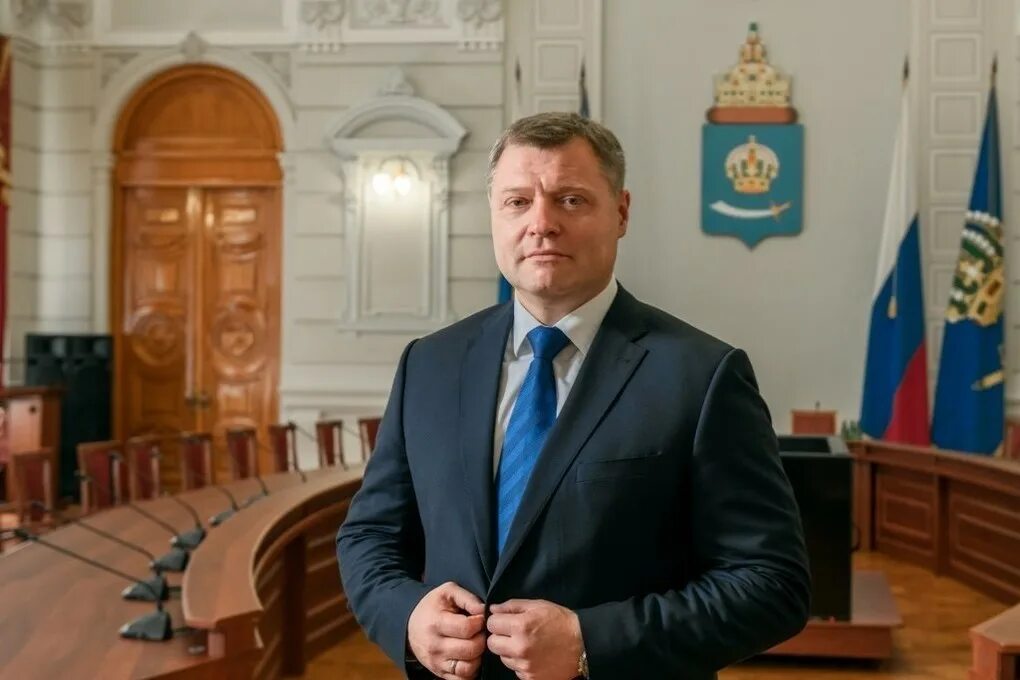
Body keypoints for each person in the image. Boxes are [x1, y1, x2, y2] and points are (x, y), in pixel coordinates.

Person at [337, 112, 810, 679]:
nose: (541, 223)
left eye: (570, 200)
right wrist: (409, 617)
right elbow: (371, 535)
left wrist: (592, 643)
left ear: (622, 212)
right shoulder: (430, 364)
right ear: (494, 215)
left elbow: (771, 583)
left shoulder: (703, 375)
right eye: (517, 202)